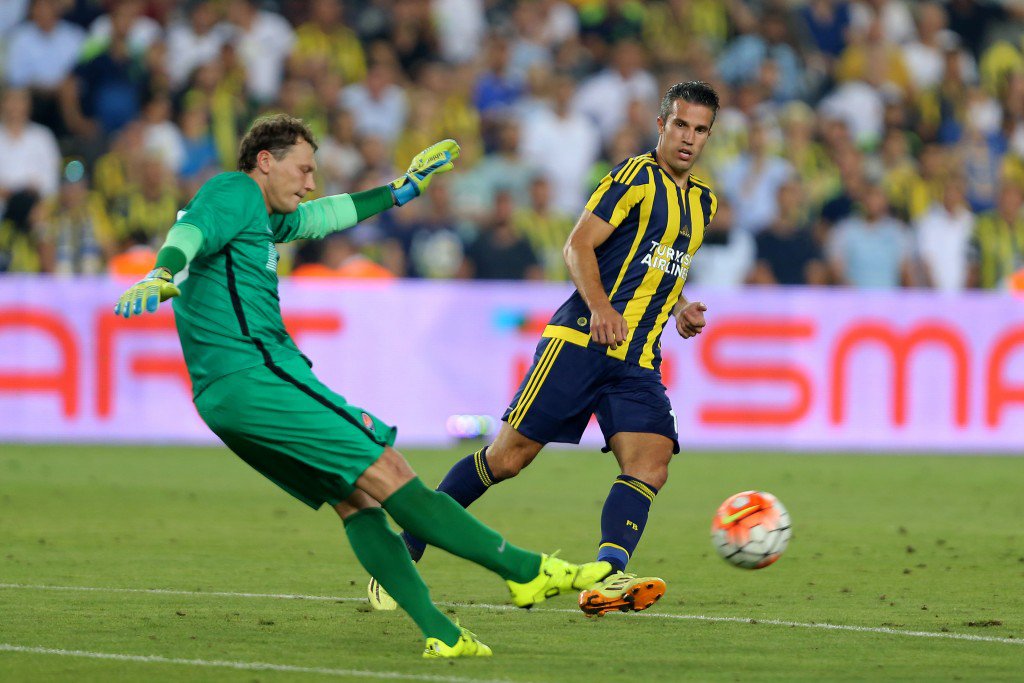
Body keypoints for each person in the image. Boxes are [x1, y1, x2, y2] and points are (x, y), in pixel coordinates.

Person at [113, 114, 611, 659]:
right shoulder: (232, 191)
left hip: (225, 396)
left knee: (353, 499)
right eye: (302, 169)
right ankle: (524, 571)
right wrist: (163, 270)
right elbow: (191, 230)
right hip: (258, 375)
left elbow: (323, 216)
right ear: (264, 161)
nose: (309, 182)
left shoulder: (259, 215)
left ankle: (440, 633)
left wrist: (400, 191)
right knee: (391, 470)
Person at [371, 81, 720, 617]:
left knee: (651, 462)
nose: (688, 138)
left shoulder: (703, 202)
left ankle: (607, 575)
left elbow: (659, 268)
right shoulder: (633, 177)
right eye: (680, 125)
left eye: (700, 129)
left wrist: (680, 308)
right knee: (507, 459)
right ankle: (405, 549)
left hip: (637, 357)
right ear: (661, 125)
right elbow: (577, 244)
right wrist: (602, 308)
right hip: (580, 341)